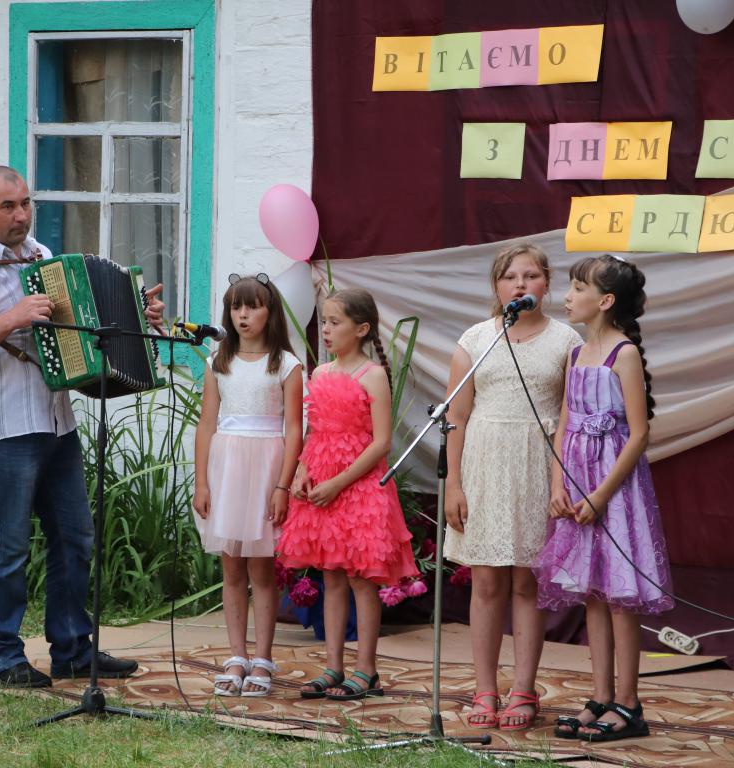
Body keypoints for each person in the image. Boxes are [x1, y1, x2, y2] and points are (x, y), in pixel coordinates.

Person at [0, 165, 164, 688]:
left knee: (75, 538)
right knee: (8, 547)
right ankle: (4, 658)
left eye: (25, 203)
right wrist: (10, 318)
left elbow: (82, 328)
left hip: (56, 421)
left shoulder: (41, 258)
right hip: (2, 429)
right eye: (8, 206)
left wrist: (136, 316)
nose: (21, 215)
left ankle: (73, 650)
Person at [533, 254, 673, 742]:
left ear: (606, 300)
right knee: (592, 593)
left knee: (618, 597)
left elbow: (638, 434)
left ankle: (629, 704)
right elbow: (563, 425)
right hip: (576, 486)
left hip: (612, 490)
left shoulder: (623, 354)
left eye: (578, 288)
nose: (567, 296)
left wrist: (600, 495)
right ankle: (600, 696)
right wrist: (558, 485)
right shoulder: (575, 355)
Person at [443, 244, 582, 730]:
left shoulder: (567, 341)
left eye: (530, 276)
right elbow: (456, 417)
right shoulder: (476, 338)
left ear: (547, 283)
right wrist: (454, 484)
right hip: (484, 465)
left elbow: (569, 416)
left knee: (527, 582)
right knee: (486, 581)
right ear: (496, 286)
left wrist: (561, 480)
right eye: (509, 277)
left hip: (537, 466)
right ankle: (484, 689)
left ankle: (524, 689)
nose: (520, 285)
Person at [277, 288, 419, 700]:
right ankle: (333, 665)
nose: (325, 329)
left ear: (361, 329)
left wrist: (339, 482)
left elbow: (381, 442)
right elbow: (316, 432)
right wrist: (303, 470)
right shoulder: (320, 373)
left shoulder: (372, 375)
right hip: (321, 486)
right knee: (332, 578)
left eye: (334, 322)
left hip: (359, 489)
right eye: (323, 321)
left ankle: (367, 669)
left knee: (361, 580)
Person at [193, 273, 304, 697]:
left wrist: (282, 486)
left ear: (269, 313)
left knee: (261, 568)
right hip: (227, 469)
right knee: (232, 567)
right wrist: (202, 482)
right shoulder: (218, 362)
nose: (243, 314)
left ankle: (262, 658)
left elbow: (294, 429)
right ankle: (236, 655)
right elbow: (207, 424)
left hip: (266, 470)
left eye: (253, 306)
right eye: (236, 307)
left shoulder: (286, 365)